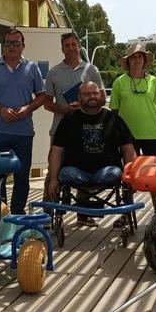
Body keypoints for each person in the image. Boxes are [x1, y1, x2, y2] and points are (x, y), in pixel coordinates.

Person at [0, 27, 48, 215]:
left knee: (22, 177)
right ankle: (0, 216)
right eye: (8, 43)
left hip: (24, 133)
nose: (12, 47)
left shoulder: (32, 68)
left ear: (23, 46)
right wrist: (0, 110)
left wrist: (28, 108)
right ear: (3, 46)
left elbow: (42, 96)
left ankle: (17, 214)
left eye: (16, 43)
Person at [47, 81, 137, 226]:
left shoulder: (113, 119)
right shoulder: (68, 120)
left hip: (107, 171)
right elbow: (57, 151)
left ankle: (123, 216)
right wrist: (53, 179)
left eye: (95, 93)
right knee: (65, 174)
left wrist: (132, 176)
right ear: (79, 97)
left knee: (115, 173)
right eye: (87, 94)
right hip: (75, 171)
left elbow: (128, 148)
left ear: (101, 95)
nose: (92, 97)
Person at [42, 32, 104, 219]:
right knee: (54, 169)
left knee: (85, 166)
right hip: (60, 128)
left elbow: (102, 97)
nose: (70, 48)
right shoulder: (53, 72)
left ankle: (83, 213)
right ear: (62, 49)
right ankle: (48, 211)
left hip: (86, 128)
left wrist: (86, 104)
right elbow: (46, 103)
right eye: (66, 45)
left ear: (79, 47)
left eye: (73, 44)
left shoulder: (91, 70)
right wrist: (63, 108)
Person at [110, 43, 156, 157]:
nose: (137, 60)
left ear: (144, 60)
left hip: (151, 134)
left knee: (151, 170)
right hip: (127, 135)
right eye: (133, 57)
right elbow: (114, 110)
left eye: (140, 56)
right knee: (130, 170)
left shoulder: (155, 81)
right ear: (128, 61)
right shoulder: (119, 82)